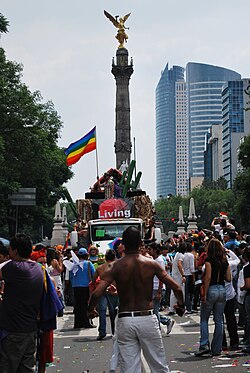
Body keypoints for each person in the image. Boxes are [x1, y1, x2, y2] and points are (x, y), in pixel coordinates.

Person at [88, 226, 185, 373]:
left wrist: (91, 310)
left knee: (130, 369)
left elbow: (96, 293)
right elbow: (177, 288)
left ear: (123, 244)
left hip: (125, 319)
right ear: (140, 243)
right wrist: (181, 305)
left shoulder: (115, 267)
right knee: (159, 366)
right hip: (147, 317)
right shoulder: (151, 264)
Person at [0, 233, 44, 372]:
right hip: (30, 329)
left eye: (10, 249)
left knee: (8, 367)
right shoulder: (37, 268)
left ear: (15, 251)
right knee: (26, 368)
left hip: (13, 330)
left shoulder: (14, 268)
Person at [195, 238, 231, 357]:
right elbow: (229, 278)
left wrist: (204, 293)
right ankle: (217, 348)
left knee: (204, 318)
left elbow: (208, 277)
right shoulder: (225, 261)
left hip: (211, 289)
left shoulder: (209, 260)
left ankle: (204, 344)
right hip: (222, 289)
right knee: (219, 320)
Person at [93, 249, 119, 340]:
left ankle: (102, 331)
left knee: (102, 311)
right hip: (115, 291)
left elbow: (93, 280)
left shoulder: (100, 268)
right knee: (114, 312)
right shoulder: (118, 267)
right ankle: (114, 331)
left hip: (103, 291)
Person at [70, 248, 96, 329]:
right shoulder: (88, 264)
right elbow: (94, 274)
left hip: (75, 287)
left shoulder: (74, 264)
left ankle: (77, 323)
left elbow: (71, 276)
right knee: (85, 305)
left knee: (77, 306)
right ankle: (86, 322)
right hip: (86, 286)